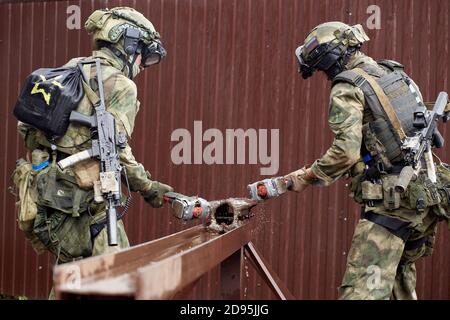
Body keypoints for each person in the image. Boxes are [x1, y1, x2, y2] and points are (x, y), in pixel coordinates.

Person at [281, 22, 450, 299]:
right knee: (398, 281)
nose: (325, 76)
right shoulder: (393, 73)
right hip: (429, 196)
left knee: (361, 292)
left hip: (394, 204)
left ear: (330, 60)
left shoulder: (346, 87)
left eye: (323, 69)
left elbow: (345, 153)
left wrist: (308, 176)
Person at [13, 7, 173, 276]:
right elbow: (118, 149)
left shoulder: (69, 69)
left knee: (73, 275)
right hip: (90, 205)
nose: (144, 65)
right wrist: (147, 187)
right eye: (145, 55)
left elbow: (26, 128)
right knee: (116, 277)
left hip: (49, 198)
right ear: (128, 44)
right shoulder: (122, 85)